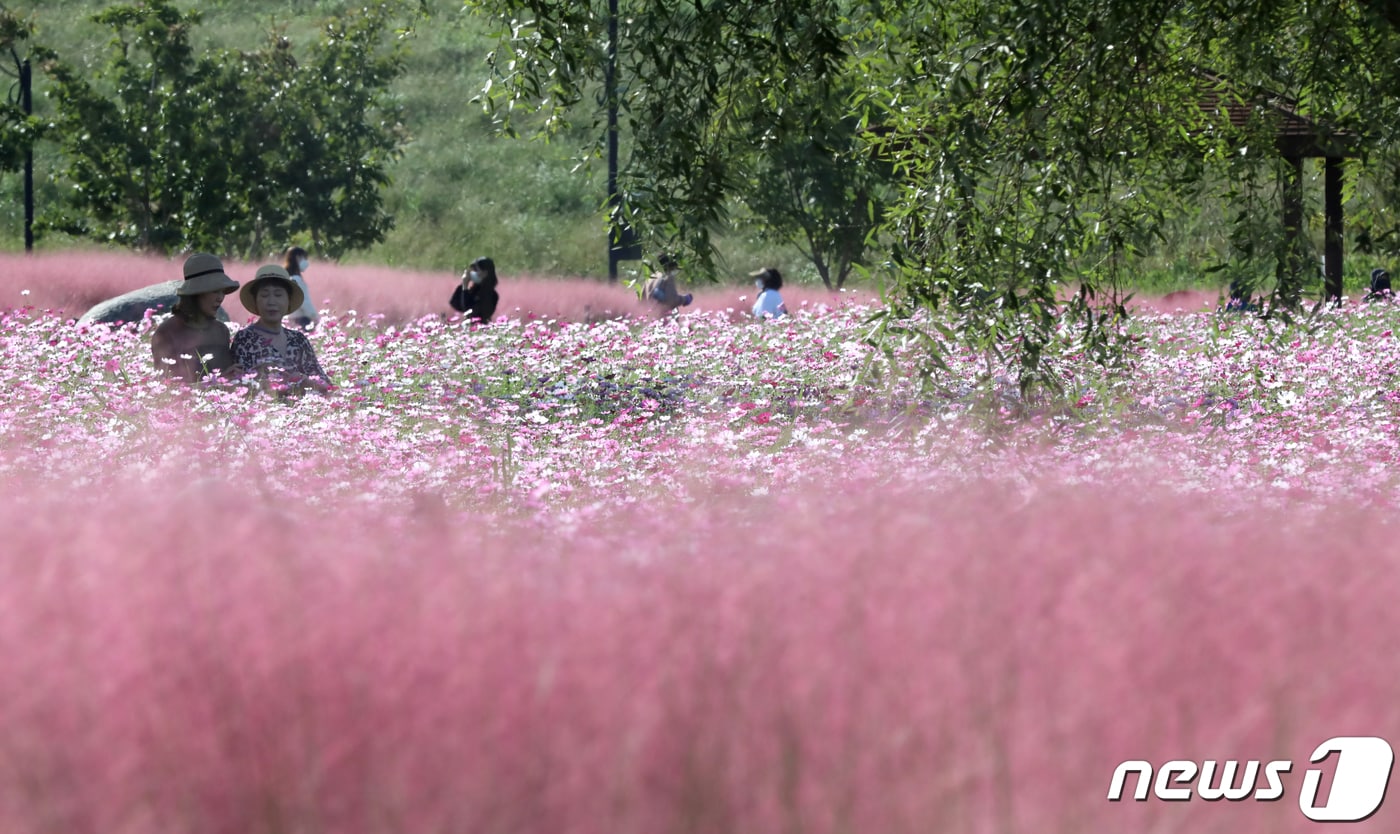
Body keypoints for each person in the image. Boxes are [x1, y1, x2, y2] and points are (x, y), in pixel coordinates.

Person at [231, 264, 331, 393]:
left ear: (288, 300)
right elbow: (241, 387)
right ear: (255, 301)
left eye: (278, 295)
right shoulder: (245, 338)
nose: (271, 301)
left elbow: (327, 386)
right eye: (264, 295)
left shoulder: (298, 340)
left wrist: (304, 381)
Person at [151, 253, 242, 382]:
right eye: (215, 291)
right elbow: (168, 389)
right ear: (196, 293)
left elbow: (227, 378)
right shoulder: (167, 333)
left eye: (223, 291)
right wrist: (217, 382)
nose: (220, 298)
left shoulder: (221, 331)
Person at [449, 256, 500, 323]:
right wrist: (464, 285)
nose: (473, 273)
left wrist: (465, 286)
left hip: (480, 329)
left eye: (476, 270)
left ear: (485, 273)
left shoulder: (491, 295)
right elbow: (455, 304)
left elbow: (469, 310)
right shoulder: (474, 290)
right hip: (468, 327)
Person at [281, 245, 319, 329]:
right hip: (302, 320)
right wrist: (315, 316)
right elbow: (303, 301)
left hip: (290, 319)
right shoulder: (296, 280)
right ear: (298, 257)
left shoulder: (287, 278)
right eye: (305, 258)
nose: (306, 262)